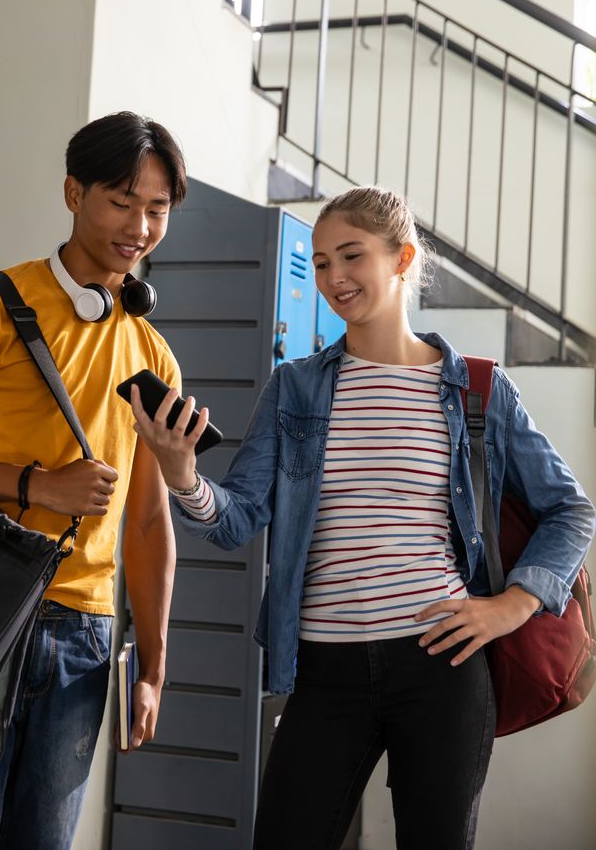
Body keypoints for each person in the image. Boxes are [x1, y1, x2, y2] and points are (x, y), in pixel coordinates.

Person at [129, 185, 596, 850]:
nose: (333, 278)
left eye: (351, 257)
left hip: (442, 668)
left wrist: (513, 605)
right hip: (323, 672)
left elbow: (570, 510)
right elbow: (235, 520)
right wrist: (181, 473)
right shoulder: (295, 389)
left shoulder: (478, 390)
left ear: (402, 258)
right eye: (320, 263)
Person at [0, 111, 187, 850]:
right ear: (71, 192)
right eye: (121, 200)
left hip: (85, 634)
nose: (139, 226)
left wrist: (152, 665)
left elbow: (147, 522)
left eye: (158, 209)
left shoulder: (154, 354)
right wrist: (35, 485)